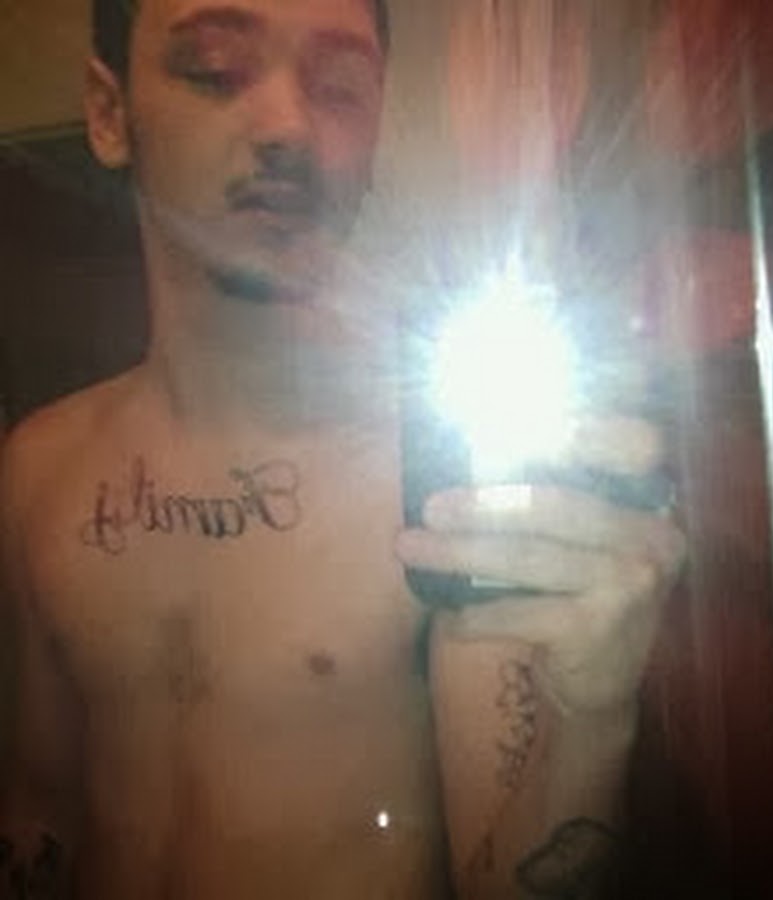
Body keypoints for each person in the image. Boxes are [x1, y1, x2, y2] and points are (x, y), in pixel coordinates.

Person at [0, 0, 684, 897]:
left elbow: (510, 880)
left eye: (339, 87)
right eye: (215, 68)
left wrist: (591, 717)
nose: (289, 125)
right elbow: (39, 815)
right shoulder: (37, 469)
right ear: (107, 111)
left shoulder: (443, 488)